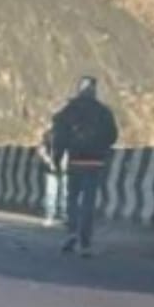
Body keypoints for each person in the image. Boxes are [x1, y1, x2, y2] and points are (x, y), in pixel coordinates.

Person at [50, 76, 118, 257]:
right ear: (95, 90)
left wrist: (57, 159)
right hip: (95, 162)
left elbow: (59, 136)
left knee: (72, 198)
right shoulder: (104, 112)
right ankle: (85, 240)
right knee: (88, 202)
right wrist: (101, 148)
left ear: (79, 89)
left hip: (76, 161)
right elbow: (113, 136)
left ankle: (72, 231)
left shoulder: (69, 110)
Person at [35, 127, 66, 226]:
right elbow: (41, 150)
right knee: (50, 194)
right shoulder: (48, 135)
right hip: (51, 170)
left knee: (65, 194)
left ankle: (65, 217)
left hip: (65, 169)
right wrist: (47, 160)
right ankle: (50, 216)